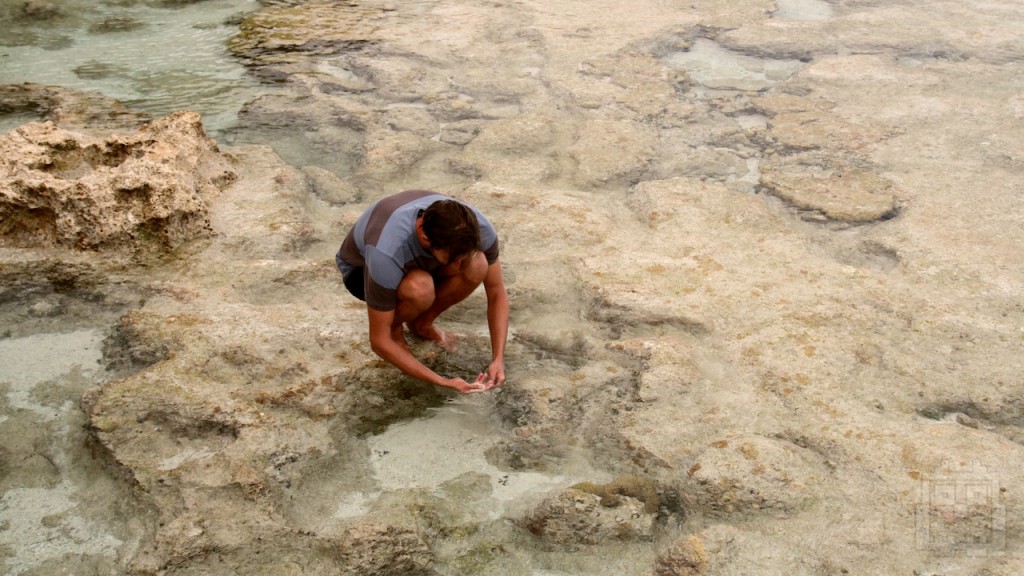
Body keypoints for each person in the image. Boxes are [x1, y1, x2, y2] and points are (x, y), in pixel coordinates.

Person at [336, 189, 508, 394]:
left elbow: (497, 292)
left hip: (421, 261)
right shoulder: (385, 251)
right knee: (420, 288)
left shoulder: (478, 228)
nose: (458, 267)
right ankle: (395, 326)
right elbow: (378, 342)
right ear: (424, 236)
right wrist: (444, 381)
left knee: (479, 263)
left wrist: (498, 359)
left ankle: (421, 323)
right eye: (453, 260)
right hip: (360, 270)